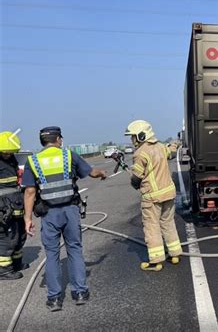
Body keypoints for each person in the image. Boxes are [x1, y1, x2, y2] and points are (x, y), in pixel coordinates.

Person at [23, 126, 107, 311]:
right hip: (70, 210)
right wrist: (102, 173)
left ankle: (54, 299)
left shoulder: (33, 160)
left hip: (49, 214)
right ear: (58, 139)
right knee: (75, 249)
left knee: (52, 255)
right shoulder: (69, 155)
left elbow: (30, 191)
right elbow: (91, 172)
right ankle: (80, 293)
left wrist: (27, 218)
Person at [124, 120, 182, 271]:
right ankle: (175, 253)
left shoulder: (140, 153)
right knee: (168, 223)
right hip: (169, 193)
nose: (132, 140)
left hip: (152, 197)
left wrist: (134, 183)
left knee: (152, 227)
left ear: (141, 136)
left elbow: (136, 179)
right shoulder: (161, 147)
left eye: (133, 136)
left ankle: (156, 260)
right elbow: (171, 151)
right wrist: (175, 144)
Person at [0, 131, 28, 280]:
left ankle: (16, 263)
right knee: (6, 238)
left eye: (11, 152)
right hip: (3, 208)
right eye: (5, 152)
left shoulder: (12, 160)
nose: (8, 155)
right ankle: (3, 270)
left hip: (15, 204)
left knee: (19, 235)